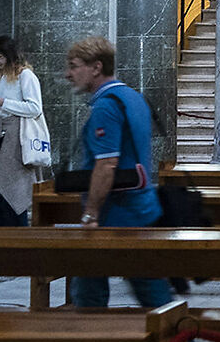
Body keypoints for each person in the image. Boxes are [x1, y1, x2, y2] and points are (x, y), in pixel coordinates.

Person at [63, 37, 171, 310]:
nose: (68, 74)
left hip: (117, 214)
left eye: (74, 66)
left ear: (96, 67)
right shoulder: (133, 96)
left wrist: (91, 213)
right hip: (141, 208)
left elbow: (106, 164)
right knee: (147, 286)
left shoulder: (106, 105)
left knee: (90, 292)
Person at [0, 36, 48, 227]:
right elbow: (1, 107)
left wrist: (1, 102)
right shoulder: (2, 78)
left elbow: (34, 108)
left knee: (11, 192)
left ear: (10, 56)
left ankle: (17, 237)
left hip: (16, 140)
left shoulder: (26, 76)